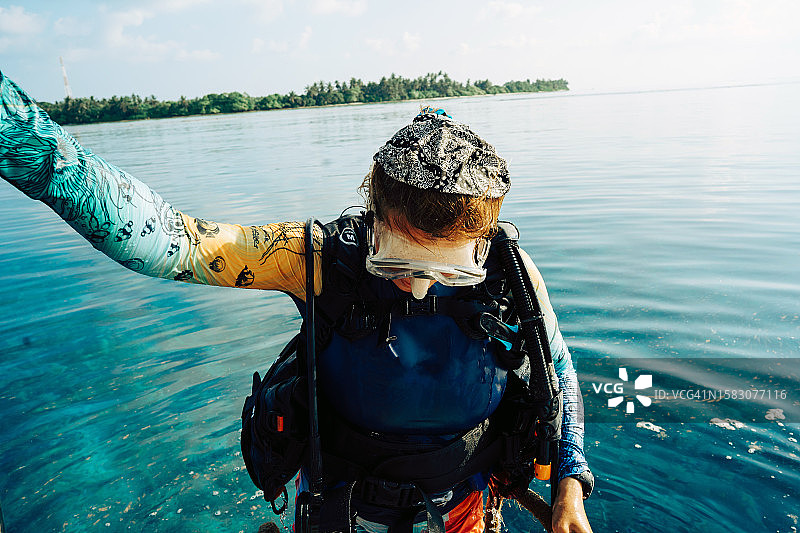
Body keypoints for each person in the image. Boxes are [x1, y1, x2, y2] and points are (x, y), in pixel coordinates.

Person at [0, 71, 593, 533]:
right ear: (374, 215)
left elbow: (558, 376)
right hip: (342, 499)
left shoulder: (512, 273)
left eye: (446, 269)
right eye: (396, 262)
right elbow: (171, 242)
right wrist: (28, 144)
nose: (416, 287)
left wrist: (568, 485)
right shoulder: (315, 258)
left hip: (466, 496)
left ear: (482, 241)